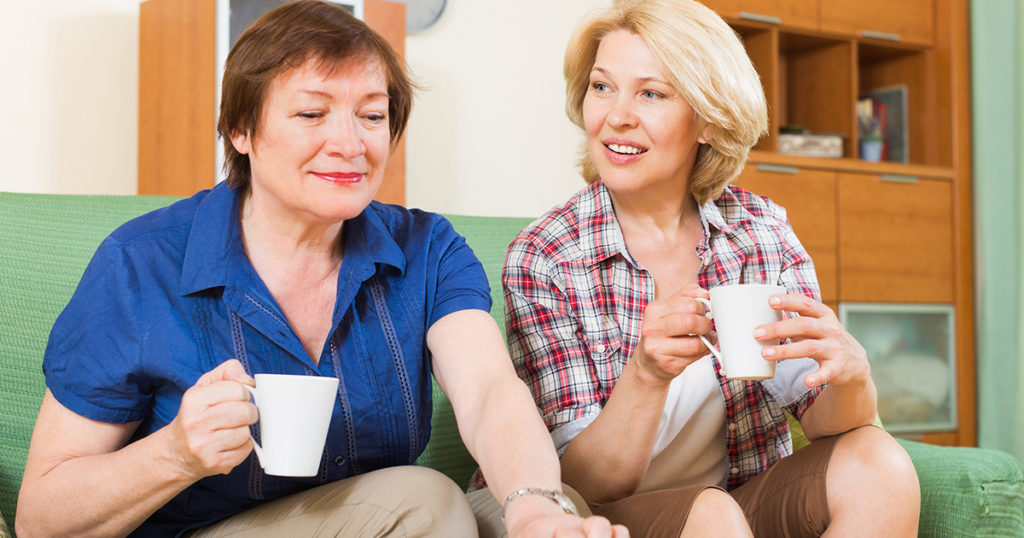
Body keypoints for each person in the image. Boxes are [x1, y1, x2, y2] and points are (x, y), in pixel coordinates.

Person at [15, 2, 627, 537]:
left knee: (558, 511)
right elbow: (40, 519)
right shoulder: (139, 264)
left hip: (381, 518)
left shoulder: (426, 247)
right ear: (241, 129)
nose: (350, 144)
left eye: (372, 116)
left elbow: (489, 391)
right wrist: (174, 454)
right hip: (207, 528)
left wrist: (534, 504)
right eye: (312, 114)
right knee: (422, 499)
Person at [499, 0, 921, 536]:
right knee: (710, 513)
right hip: (607, 516)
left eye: (651, 94)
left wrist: (852, 379)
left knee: (880, 464)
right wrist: (646, 376)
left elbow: (823, 419)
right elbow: (577, 483)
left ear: (707, 119)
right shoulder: (546, 255)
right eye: (602, 87)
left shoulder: (758, 228)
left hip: (742, 499)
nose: (616, 116)